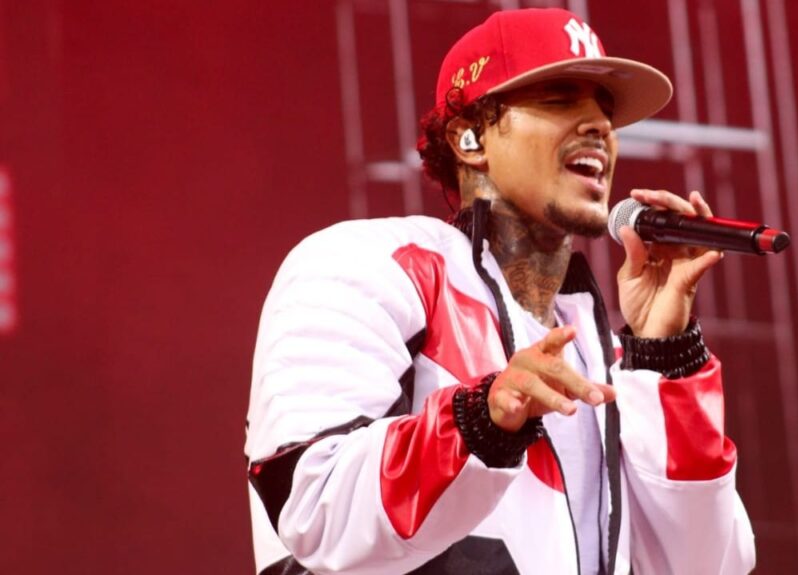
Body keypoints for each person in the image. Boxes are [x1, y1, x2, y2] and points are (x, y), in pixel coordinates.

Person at [245, 8, 755, 575]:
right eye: (560, 99)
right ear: (469, 138)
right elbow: (312, 505)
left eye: (605, 111)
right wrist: (482, 423)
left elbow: (704, 564)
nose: (599, 126)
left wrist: (664, 357)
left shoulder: (602, 358)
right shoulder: (370, 265)